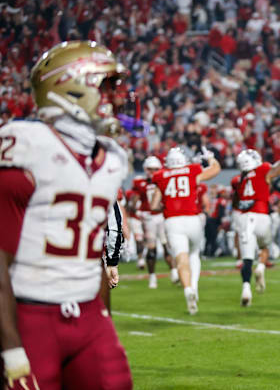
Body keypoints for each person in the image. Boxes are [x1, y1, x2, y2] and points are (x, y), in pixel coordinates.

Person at [0, 40, 132, 389]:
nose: (114, 97)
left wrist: (104, 318)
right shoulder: (24, 144)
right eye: (104, 86)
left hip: (88, 314)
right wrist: (10, 346)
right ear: (70, 85)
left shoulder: (112, 158)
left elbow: (94, 255)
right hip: (30, 314)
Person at [231, 123, 280, 306]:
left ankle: (246, 288)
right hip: (261, 216)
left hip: (244, 218)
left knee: (247, 259)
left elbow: (235, 203)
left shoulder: (236, 180)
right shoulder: (262, 169)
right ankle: (262, 266)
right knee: (265, 247)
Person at [151, 147, 220, 314]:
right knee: (194, 253)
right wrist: (210, 158)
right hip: (192, 219)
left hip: (172, 221)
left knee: (181, 259)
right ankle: (194, 288)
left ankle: (187, 289)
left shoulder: (160, 176)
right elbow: (215, 170)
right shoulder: (192, 170)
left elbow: (153, 205)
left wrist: (166, 204)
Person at [131, 155, 179, 288]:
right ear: (145, 169)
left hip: (163, 215)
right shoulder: (140, 183)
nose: (152, 172)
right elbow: (134, 199)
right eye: (150, 169)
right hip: (149, 217)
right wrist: (132, 208)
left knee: (167, 245)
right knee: (151, 249)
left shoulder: (164, 180)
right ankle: (152, 276)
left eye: (155, 169)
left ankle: (174, 272)